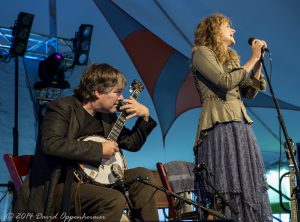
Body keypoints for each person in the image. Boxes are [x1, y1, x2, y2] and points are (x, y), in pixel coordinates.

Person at [14, 63, 159, 221]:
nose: (122, 98)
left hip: (97, 182)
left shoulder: (106, 116)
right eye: (117, 92)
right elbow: (51, 143)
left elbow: (132, 143)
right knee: (113, 199)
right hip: (61, 185)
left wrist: (144, 117)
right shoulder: (62, 108)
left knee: (143, 176)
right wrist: (98, 149)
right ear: (97, 91)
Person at [191, 13, 272, 221]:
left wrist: (258, 65)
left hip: (240, 125)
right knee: (226, 184)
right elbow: (224, 81)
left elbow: (249, 93)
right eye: (228, 25)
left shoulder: (232, 57)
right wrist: (252, 59)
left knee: (246, 184)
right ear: (214, 30)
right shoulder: (201, 53)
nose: (233, 29)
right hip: (219, 124)